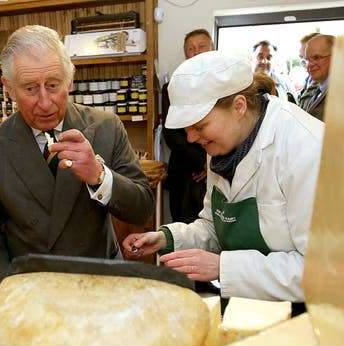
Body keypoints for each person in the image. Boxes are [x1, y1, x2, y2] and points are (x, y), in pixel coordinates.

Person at [123, 51, 324, 304]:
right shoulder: (223, 144)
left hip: (300, 317)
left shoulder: (306, 147)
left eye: (199, 126)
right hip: (245, 306)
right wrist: (167, 238)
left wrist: (224, 268)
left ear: (239, 106)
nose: (191, 139)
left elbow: (320, 271)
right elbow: (214, 225)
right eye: (187, 129)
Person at [0, 25, 154, 288]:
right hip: (33, 289)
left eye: (53, 85)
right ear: (8, 88)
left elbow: (142, 208)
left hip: (100, 282)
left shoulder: (106, 127)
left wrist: (99, 177)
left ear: (70, 79)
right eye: (30, 89)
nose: (45, 103)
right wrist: (10, 290)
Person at [160, 29, 213, 224]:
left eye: (201, 47)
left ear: (212, 49)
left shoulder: (223, 85)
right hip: (184, 168)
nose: (196, 52)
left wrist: (211, 164)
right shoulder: (172, 88)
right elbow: (171, 133)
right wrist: (201, 162)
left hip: (217, 167)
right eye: (191, 49)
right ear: (185, 54)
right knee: (182, 225)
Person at [302, 34, 335, 121]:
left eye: (316, 58)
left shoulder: (342, 93)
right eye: (308, 60)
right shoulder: (320, 89)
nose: (310, 65)